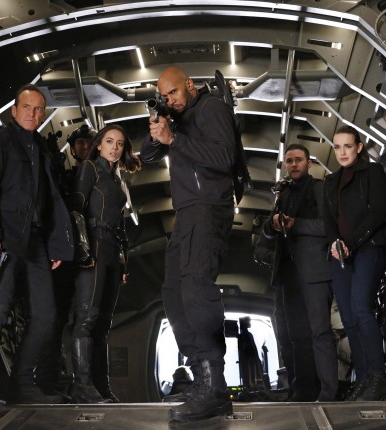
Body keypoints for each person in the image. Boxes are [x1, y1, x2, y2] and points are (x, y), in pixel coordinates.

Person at [0, 84, 74, 416]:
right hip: (5, 238)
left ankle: (22, 385)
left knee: (46, 315)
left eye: (38, 108)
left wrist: (55, 244)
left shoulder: (41, 148)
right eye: (27, 107)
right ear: (14, 111)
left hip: (37, 242)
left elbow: (50, 200)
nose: (33, 113)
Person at [141, 66, 236, 422]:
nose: (171, 100)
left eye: (174, 93)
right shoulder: (175, 119)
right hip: (186, 213)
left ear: (190, 85)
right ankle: (203, 380)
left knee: (196, 288)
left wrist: (175, 140)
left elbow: (224, 158)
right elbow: (147, 155)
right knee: (173, 292)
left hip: (208, 207)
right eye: (164, 96)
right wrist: (159, 130)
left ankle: (215, 386)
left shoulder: (212, 108)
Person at [68, 124, 141, 403]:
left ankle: (101, 387)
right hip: (94, 244)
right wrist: (82, 250)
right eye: (109, 141)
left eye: (120, 144)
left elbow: (120, 226)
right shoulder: (90, 169)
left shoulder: (117, 179)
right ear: (99, 144)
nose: (114, 147)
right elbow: (76, 208)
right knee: (87, 318)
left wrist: (123, 262)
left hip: (111, 251)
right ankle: (82, 386)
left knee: (103, 324)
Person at [259, 143, 338, 401]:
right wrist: (272, 225)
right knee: (294, 335)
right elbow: (269, 229)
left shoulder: (319, 189)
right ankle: (302, 389)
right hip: (289, 272)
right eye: (289, 161)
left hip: (314, 271)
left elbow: (329, 226)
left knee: (318, 332)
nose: (293, 164)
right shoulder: (283, 193)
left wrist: (296, 224)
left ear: (308, 163)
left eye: (298, 160)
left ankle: (327, 391)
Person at [323, 125, 386, 401]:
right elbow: (328, 220)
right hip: (341, 255)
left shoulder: (373, 172)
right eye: (337, 147)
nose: (342, 152)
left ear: (359, 147)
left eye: (348, 146)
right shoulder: (330, 181)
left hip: (368, 249)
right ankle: (363, 378)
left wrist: (350, 243)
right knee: (349, 318)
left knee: (362, 308)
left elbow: (378, 212)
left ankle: (378, 376)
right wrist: (334, 243)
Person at [35, 124, 95, 395]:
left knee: (87, 319)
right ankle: (47, 377)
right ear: (72, 149)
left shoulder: (100, 179)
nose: (84, 147)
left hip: (90, 256)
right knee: (57, 316)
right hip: (66, 256)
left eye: (88, 142)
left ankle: (88, 382)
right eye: (79, 143)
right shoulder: (64, 178)